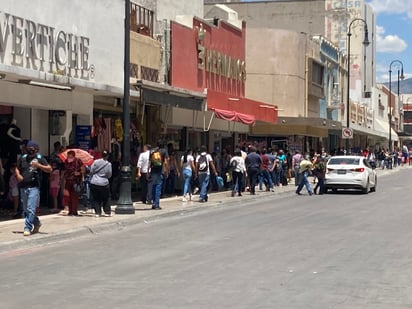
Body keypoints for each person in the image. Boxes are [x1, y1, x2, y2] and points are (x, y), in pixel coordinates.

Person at [14, 140, 52, 236]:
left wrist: (39, 165)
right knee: (26, 209)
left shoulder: (39, 158)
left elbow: (49, 169)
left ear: (36, 149)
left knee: (31, 208)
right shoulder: (23, 158)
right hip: (23, 186)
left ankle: (27, 227)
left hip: (34, 187)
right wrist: (18, 175)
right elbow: (17, 168)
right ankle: (37, 223)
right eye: (28, 148)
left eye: (32, 149)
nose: (30, 150)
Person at [61, 150, 85, 216]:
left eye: (70, 156)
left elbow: (83, 169)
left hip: (75, 181)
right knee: (67, 197)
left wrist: (79, 173)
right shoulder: (66, 161)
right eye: (68, 156)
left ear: (73, 156)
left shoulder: (78, 161)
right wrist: (62, 178)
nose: (69, 158)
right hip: (67, 181)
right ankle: (70, 211)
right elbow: (63, 170)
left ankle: (74, 211)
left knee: (74, 197)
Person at [90, 150, 112, 217]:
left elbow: (91, 171)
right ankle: (107, 211)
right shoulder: (108, 164)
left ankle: (97, 212)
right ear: (108, 156)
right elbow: (109, 175)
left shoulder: (96, 162)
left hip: (94, 182)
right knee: (106, 197)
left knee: (96, 198)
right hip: (104, 183)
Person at [149, 143, 169, 210]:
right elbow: (166, 162)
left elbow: (149, 162)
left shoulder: (152, 151)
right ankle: (157, 204)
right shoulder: (164, 151)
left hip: (153, 171)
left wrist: (147, 171)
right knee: (158, 188)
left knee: (153, 187)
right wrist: (166, 170)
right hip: (160, 171)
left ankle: (153, 203)